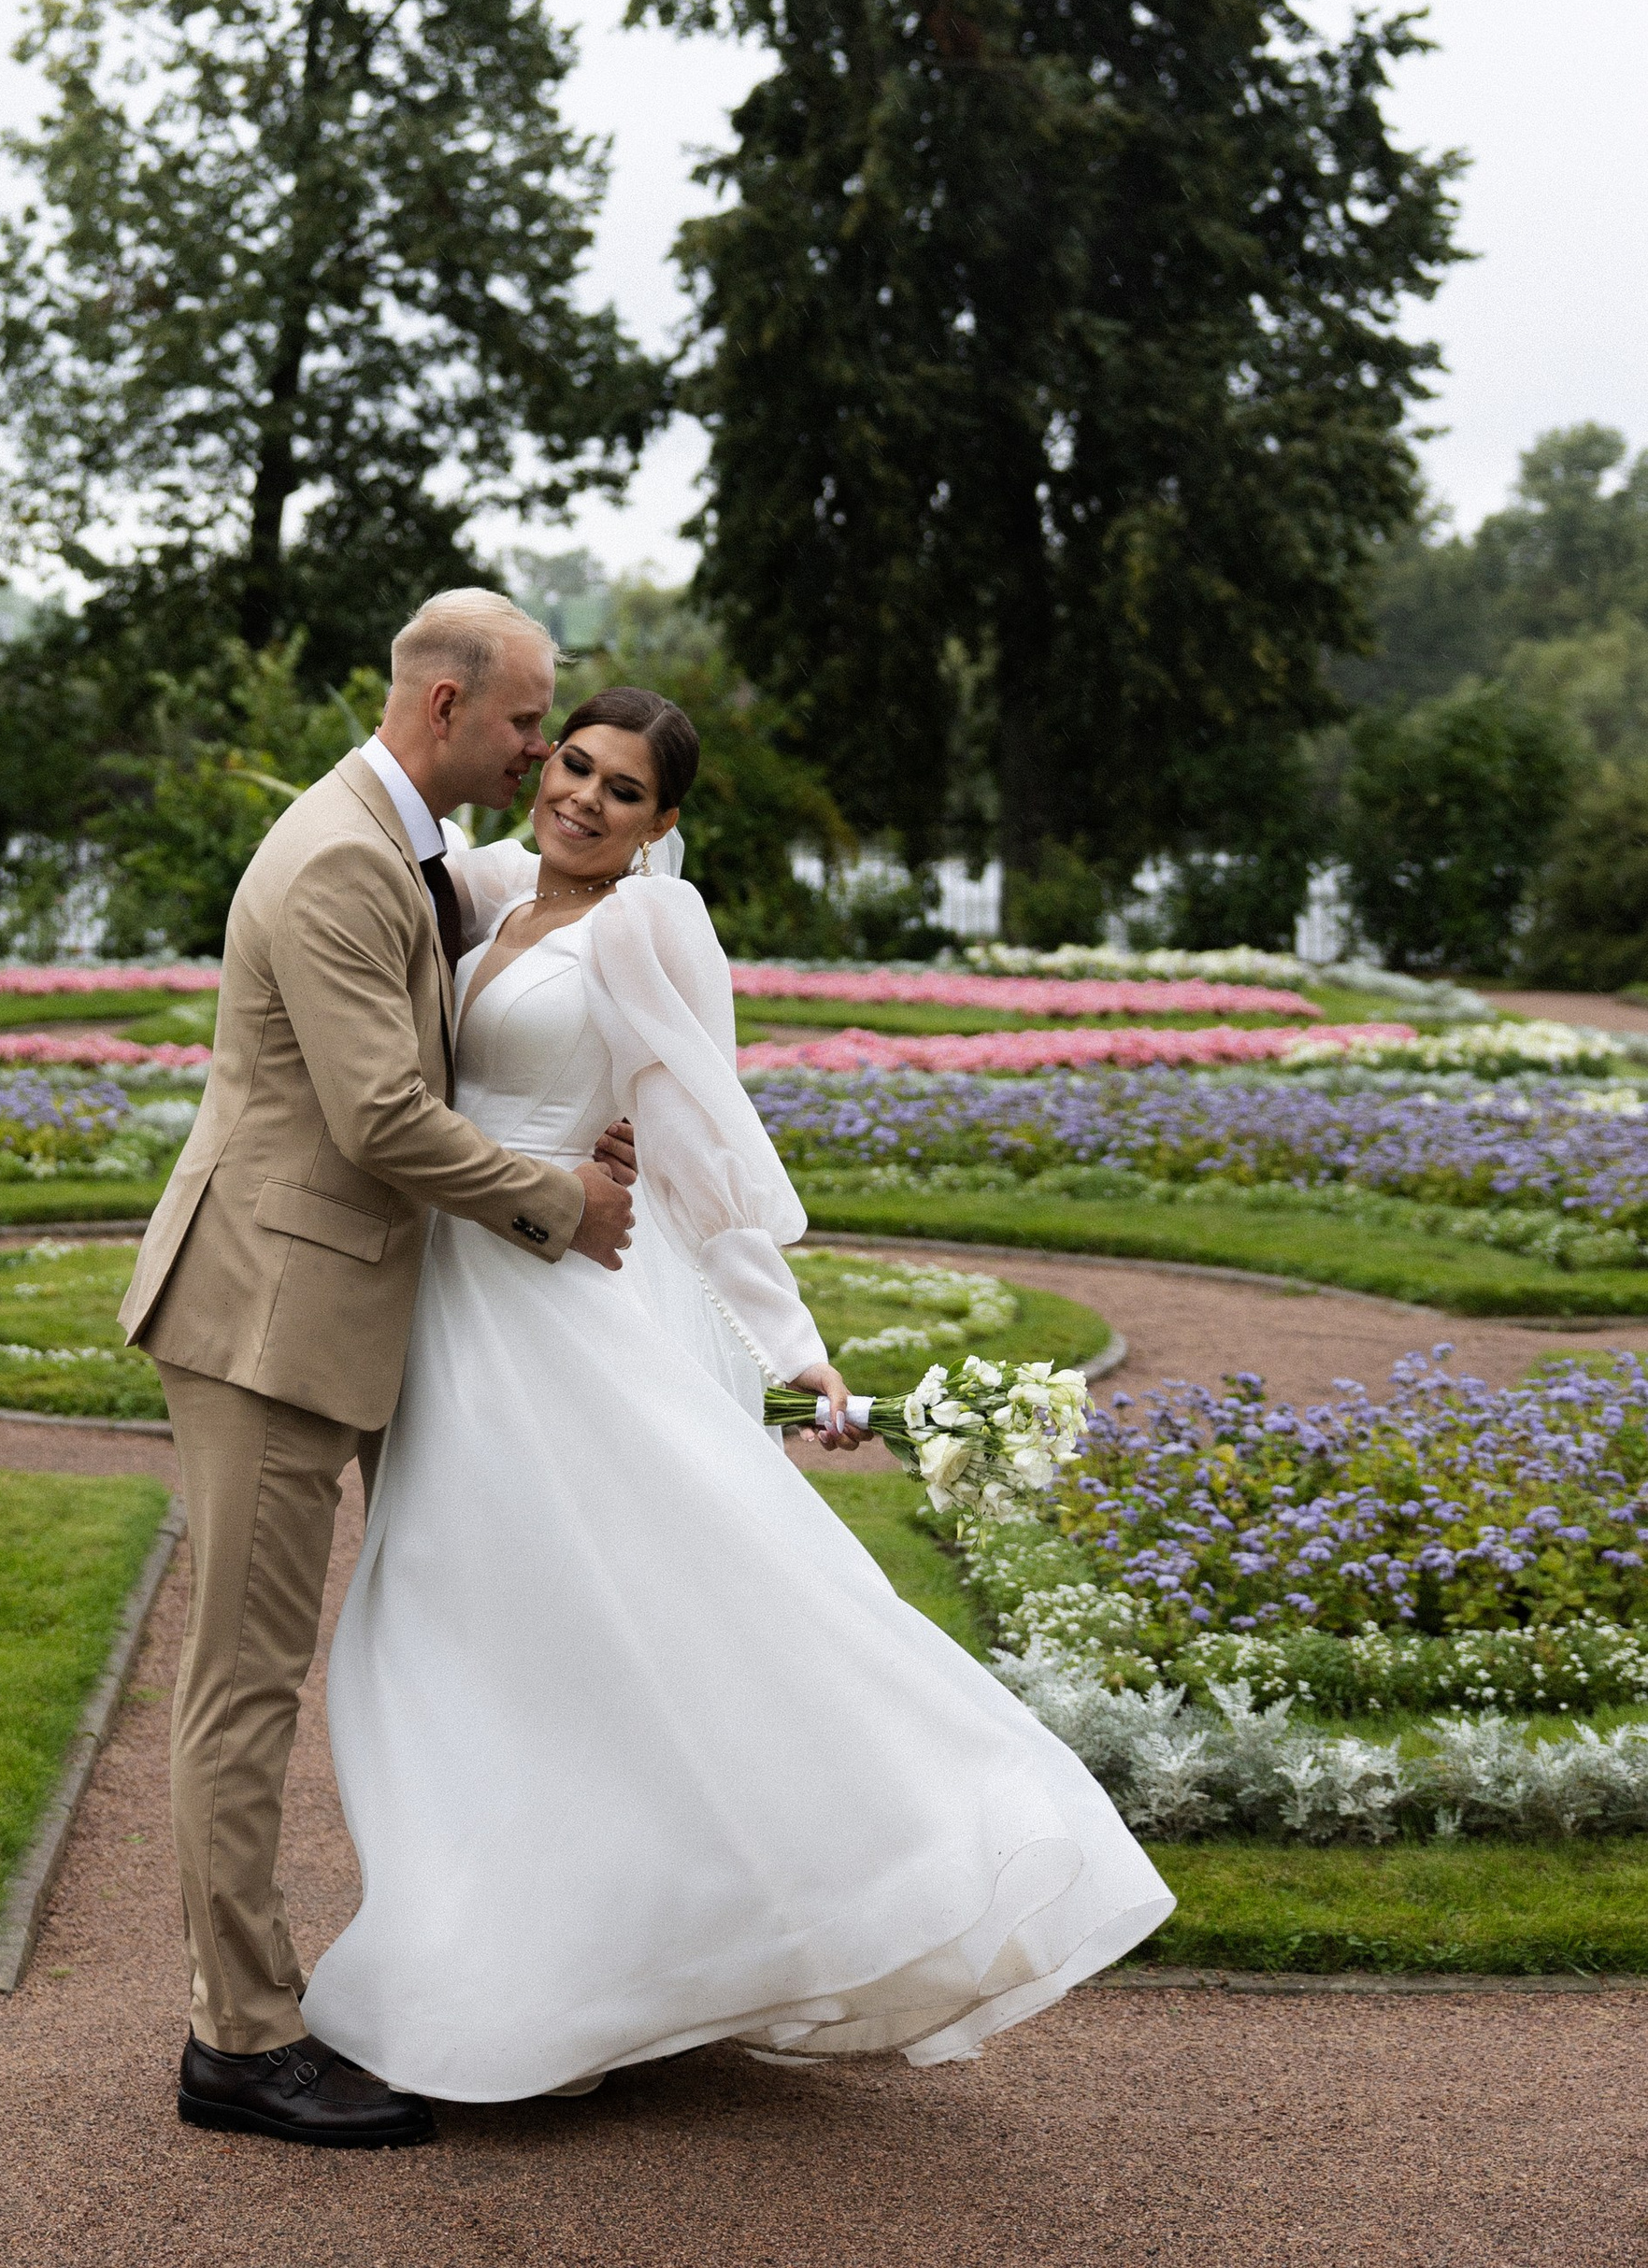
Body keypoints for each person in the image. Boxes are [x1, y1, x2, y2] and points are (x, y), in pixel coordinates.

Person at [297, 684, 1176, 2102]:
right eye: (573, 763)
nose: (582, 796)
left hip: (553, 1309)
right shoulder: (490, 889)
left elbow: (704, 1143)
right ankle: (539, 1950)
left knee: (569, 1621)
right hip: (449, 1300)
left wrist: (790, 1342)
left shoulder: (647, 925)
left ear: (665, 822)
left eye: (623, 789)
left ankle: (598, 1964)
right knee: (463, 1628)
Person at [118, 588, 640, 2150]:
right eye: (528, 721)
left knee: (404, 1648)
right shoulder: (343, 853)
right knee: (241, 1687)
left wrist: (571, 1133)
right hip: (270, 1321)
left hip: (337, 1303)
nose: (543, 748)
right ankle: (243, 2041)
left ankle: (476, 1976)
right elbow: (380, 1123)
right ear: (444, 709)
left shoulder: (402, 837)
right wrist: (562, 1201)